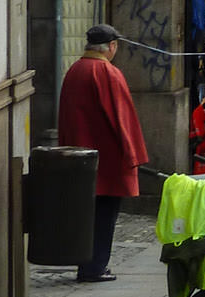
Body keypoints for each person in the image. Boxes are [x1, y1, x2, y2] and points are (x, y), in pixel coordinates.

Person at [57, 23, 149, 283]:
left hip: (79, 159)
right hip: (106, 162)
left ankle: (86, 265)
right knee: (104, 216)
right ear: (111, 46)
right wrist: (133, 157)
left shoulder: (75, 69)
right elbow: (123, 119)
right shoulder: (107, 72)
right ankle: (95, 267)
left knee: (87, 216)